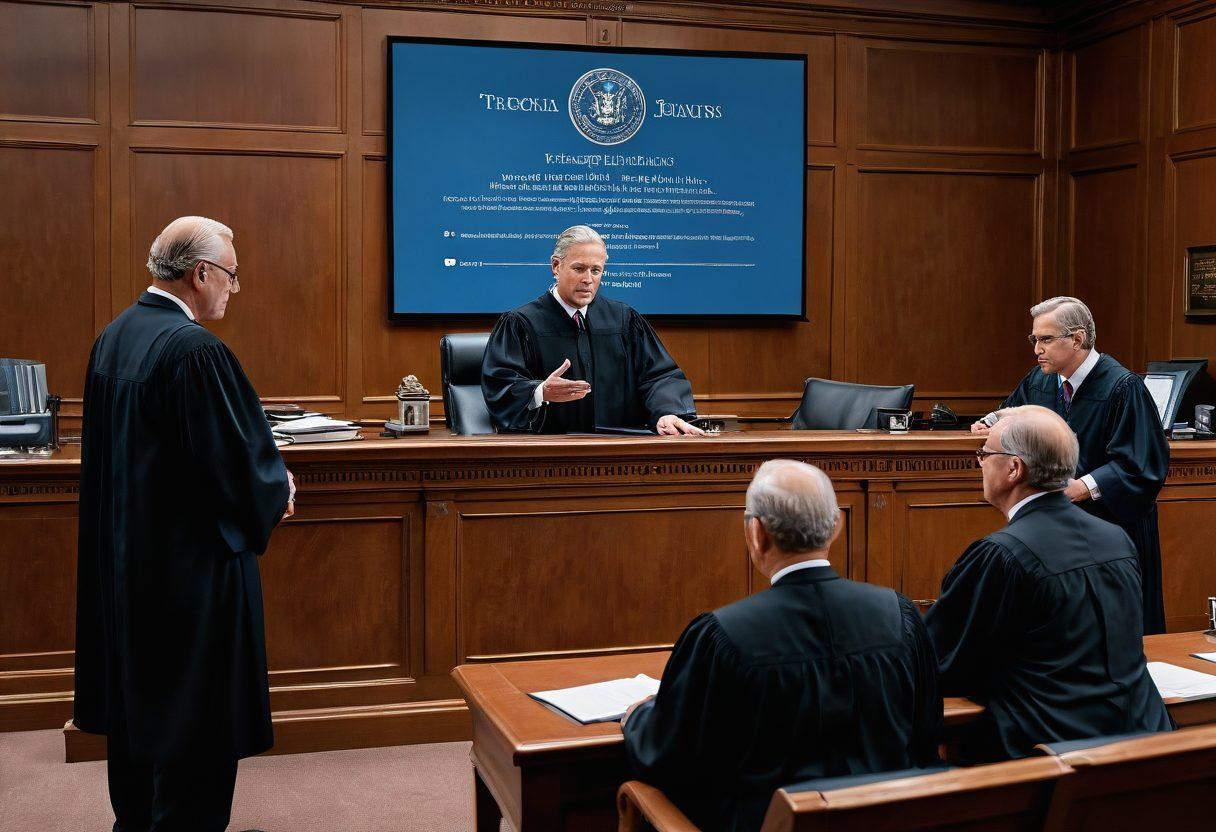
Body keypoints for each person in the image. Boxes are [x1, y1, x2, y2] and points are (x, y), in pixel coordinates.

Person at [75, 216, 294, 832]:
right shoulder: (196, 352)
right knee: (195, 741)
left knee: (143, 728)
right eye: (230, 275)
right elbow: (240, 472)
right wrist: (281, 488)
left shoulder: (115, 336)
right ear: (200, 274)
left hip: (130, 571)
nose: (233, 288)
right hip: (191, 584)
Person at [622, 460, 942, 831]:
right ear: (836, 527)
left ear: (756, 533)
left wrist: (641, 717)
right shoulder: (900, 616)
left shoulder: (722, 635)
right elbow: (926, 738)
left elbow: (667, 758)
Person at [930, 405, 1171, 763]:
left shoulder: (1003, 555)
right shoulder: (1116, 539)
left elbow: (945, 661)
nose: (979, 462)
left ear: (1014, 469)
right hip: (1143, 741)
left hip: (1050, 756)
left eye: (984, 453)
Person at [971, 296, 1168, 634]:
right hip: (1059, 525)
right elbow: (1010, 410)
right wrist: (988, 423)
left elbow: (1141, 464)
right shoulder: (1042, 380)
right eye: (1034, 340)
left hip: (1112, 525)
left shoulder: (1123, 387)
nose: (1037, 350)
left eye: (1046, 339)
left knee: (1113, 624)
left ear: (1077, 339)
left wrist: (1081, 487)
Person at [481, 225, 703, 435]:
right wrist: (539, 392)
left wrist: (666, 412)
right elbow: (501, 385)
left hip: (620, 451)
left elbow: (659, 376)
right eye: (579, 268)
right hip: (549, 452)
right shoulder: (521, 323)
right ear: (556, 266)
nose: (588, 279)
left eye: (596, 270)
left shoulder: (624, 320)